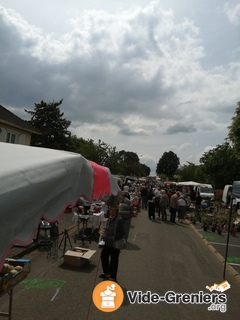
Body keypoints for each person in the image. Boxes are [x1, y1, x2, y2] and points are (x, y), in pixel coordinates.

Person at [99, 206, 125, 282]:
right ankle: (106, 272)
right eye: (110, 210)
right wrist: (103, 234)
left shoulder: (119, 220)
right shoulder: (109, 218)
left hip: (114, 243)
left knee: (114, 260)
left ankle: (113, 276)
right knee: (103, 256)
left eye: (113, 210)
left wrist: (114, 238)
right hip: (107, 241)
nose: (111, 211)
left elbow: (122, 233)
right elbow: (106, 228)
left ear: (116, 211)